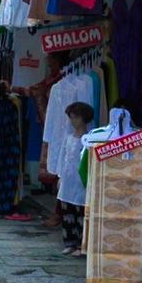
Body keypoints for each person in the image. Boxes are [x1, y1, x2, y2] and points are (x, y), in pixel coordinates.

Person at [54, 101, 93, 256]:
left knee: (81, 213)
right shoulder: (69, 138)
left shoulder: (89, 139)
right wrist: (60, 176)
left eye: (76, 117)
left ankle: (81, 245)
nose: (73, 121)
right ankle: (69, 242)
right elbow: (63, 158)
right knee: (67, 212)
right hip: (68, 180)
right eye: (71, 117)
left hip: (81, 180)